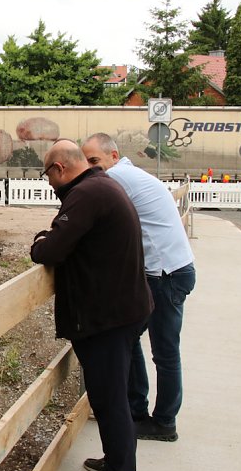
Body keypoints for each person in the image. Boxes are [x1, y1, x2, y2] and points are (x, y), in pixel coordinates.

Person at [31, 139, 152, 471]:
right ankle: (116, 457)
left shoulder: (86, 194)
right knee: (111, 391)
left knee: (108, 394)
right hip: (123, 308)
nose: (50, 185)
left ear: (60, 169)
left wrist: (41, 240)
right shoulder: (102, 186)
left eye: (48, 176)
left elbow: (50, 249)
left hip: (109, 316)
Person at [82, 133, 196, 442]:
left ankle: (164, 423)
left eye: (95, 162)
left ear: (114, 156)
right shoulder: (128, 175)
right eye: (87, 163)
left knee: (164, 352)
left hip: (166, 274)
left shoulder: (117, 178)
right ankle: (136, 411)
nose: (92, 169)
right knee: (130, 338)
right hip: (168, 271)